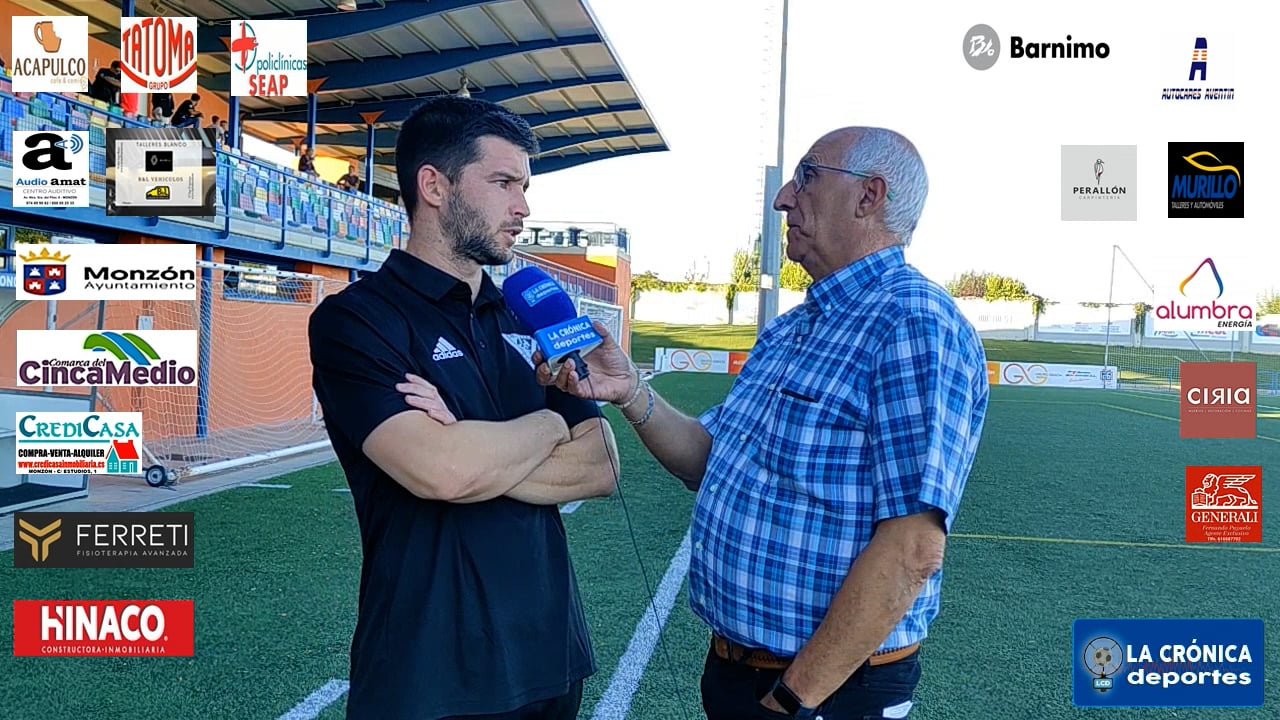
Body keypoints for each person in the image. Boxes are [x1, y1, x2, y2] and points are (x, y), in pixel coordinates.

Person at [536, 126, 990, 718]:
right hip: (736, 672)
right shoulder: (790, 329)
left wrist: (793, 700)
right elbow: (708, 458)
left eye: (807, 176)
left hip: (824, 691)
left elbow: (912, 546)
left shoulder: (913, 323)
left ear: (869, 196)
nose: (783, 199)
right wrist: (630, 391)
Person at [307, 95, 619, 720]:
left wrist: (470, 444)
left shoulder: (528, 314)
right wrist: (552, 421)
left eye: (524, 186)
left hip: (550, 659)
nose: (523, 206)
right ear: (434, 186)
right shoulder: (359, 319)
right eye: (503, 182)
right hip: (430, 674)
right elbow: (442, 473)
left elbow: (602, 466)